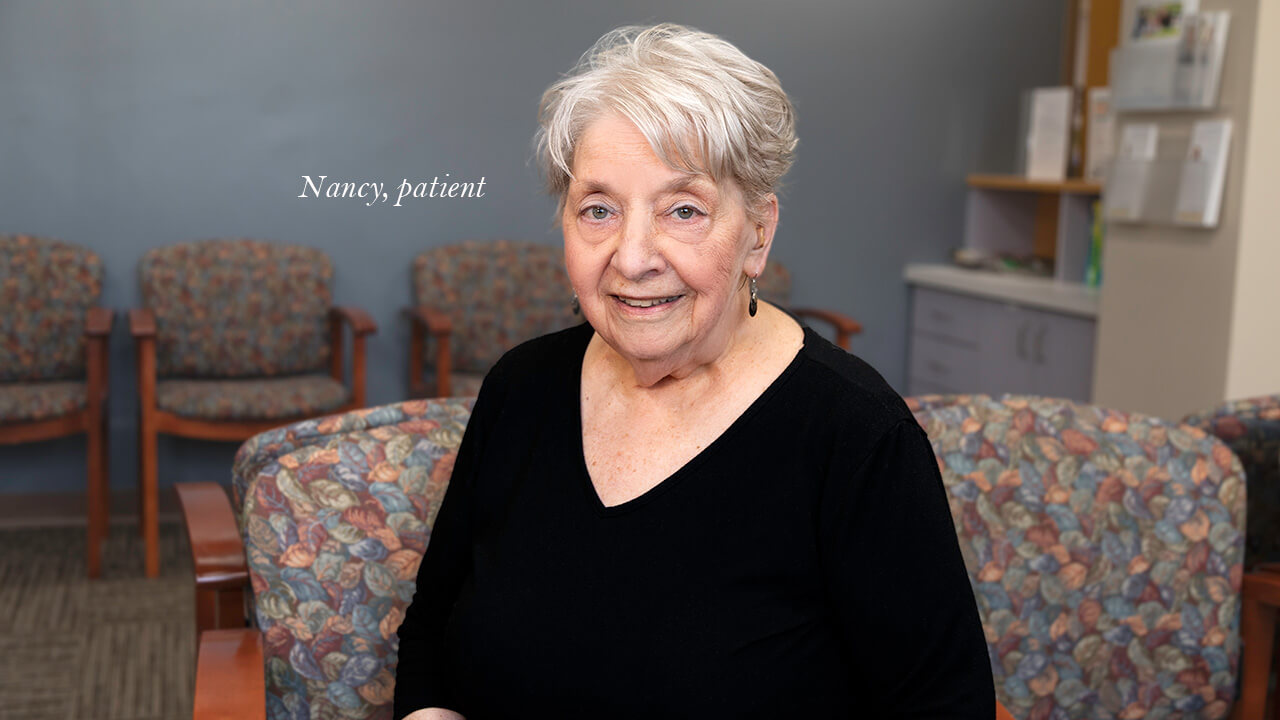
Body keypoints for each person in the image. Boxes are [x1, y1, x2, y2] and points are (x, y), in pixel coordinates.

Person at [394, 24, 993, 719]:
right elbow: (432, 624)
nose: (633, 255)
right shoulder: (519, 389)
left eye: (683, 210)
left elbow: (946, 705)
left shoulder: (857, 439)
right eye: (598, 210)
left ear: (757, 234)